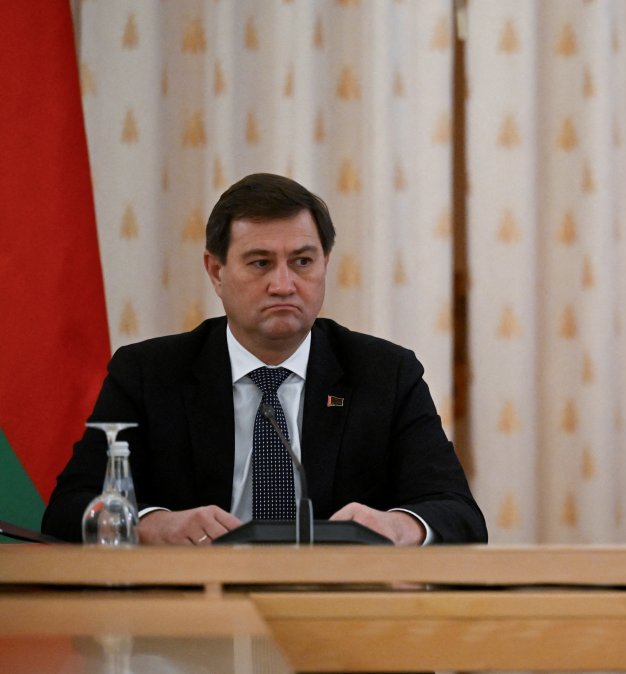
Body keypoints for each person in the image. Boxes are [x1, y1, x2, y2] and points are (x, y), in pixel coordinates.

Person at [43, 173, 486, 545]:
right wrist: (152, 524)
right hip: (188, 615)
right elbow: (67, 508)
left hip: (336, 615)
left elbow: (459, 514)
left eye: (302, 261)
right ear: (216, 271)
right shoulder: (148, 373)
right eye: (259, 263)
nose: (283, 284)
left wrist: (398, 525)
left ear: (325, 264)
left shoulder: (385, 373)